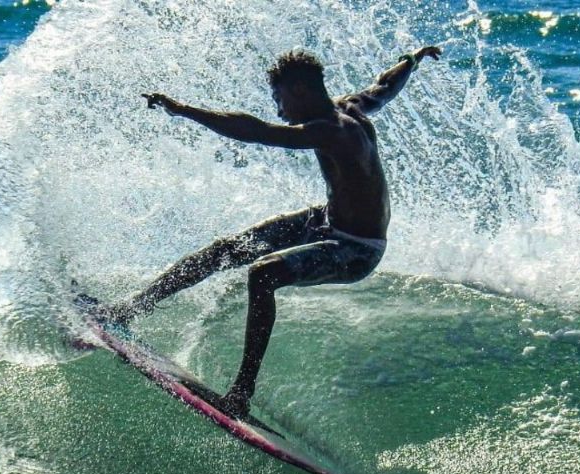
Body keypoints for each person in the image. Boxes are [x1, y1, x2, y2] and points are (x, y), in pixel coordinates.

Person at [78, 46, 442, 417]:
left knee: (263, 272)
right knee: (225, 251)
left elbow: (256, 131)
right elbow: (384, 86)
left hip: (356, 250)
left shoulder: (333, 132)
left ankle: (241, 392)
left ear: (299, 91)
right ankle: (129, 309)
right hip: (326, 221)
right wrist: (411, 60)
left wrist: (183, 110)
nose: (279, 109)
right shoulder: (350, 107)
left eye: (279, 98)